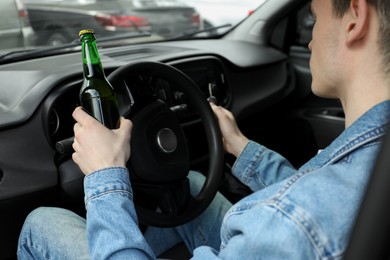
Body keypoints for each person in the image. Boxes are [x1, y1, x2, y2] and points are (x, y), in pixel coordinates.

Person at [17, 0, 390, 258]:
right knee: (193, 185)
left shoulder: (287, 222)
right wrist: (241, 145)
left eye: (315, 17)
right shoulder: (370, 163)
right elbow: (317, 196)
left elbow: (297, 216)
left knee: (40, 222)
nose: (309, 37)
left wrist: (105, 172)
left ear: (354, 18)